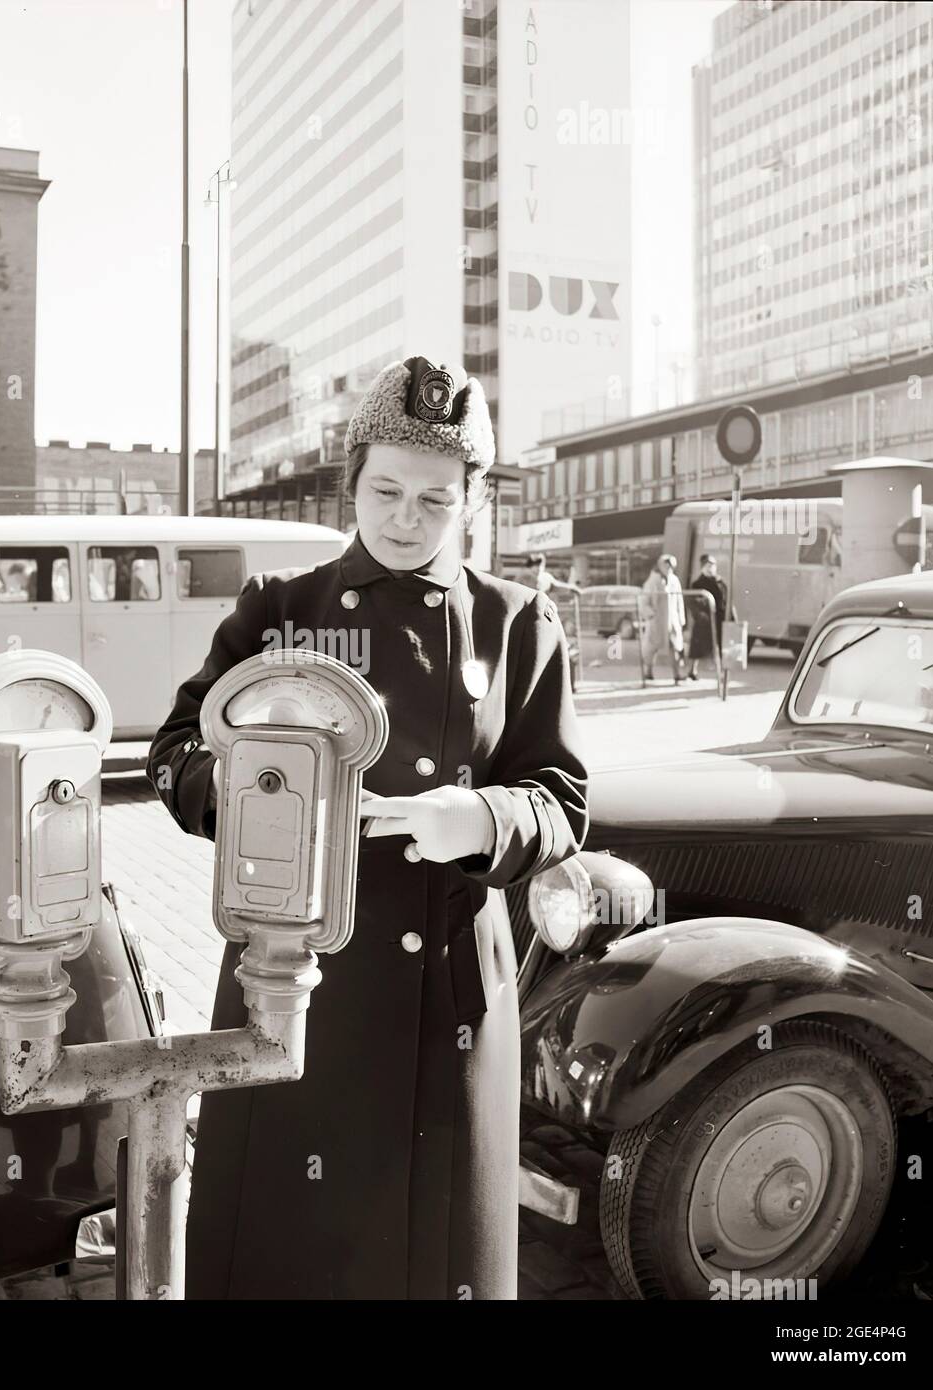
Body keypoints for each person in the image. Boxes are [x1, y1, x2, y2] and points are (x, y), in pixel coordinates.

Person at [146, 355, 589, 1300]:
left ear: (471, 502)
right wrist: (263, 796)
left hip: (451, 991)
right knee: (288, 1251)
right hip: (299, 977)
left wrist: (479, 815)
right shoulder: (281, 609)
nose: (404, 518)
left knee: (436, 1261)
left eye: (436, 499)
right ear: (350, 482)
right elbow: (175, 753)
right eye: (385, 490)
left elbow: (561, 798)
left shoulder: (520, 624)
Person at [639, 553, 686, 683]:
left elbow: (679, 600)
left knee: (675, 646)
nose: (668, 567)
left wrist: (681, 617)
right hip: (657, 619)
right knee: (651, 647)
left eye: (670, 565)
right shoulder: (652, 581)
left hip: (672, 619)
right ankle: (648, 671)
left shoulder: (674, 580)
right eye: (665, 565)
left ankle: (676, 674)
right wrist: (650, 614)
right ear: (660, 565)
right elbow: (644, 600)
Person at [684, 553, 732, 681]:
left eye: (712, 565)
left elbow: (727, 601)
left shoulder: (721, 582)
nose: (710, 567)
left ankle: (722, 672)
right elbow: (693, 602)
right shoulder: (697, 583)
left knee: (722, 646)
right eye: (708, 565)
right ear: (702, 567)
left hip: (720, 618)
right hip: (704, 619)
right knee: (697, 644)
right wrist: (700, 615)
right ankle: (692, 670)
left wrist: (732, 617)